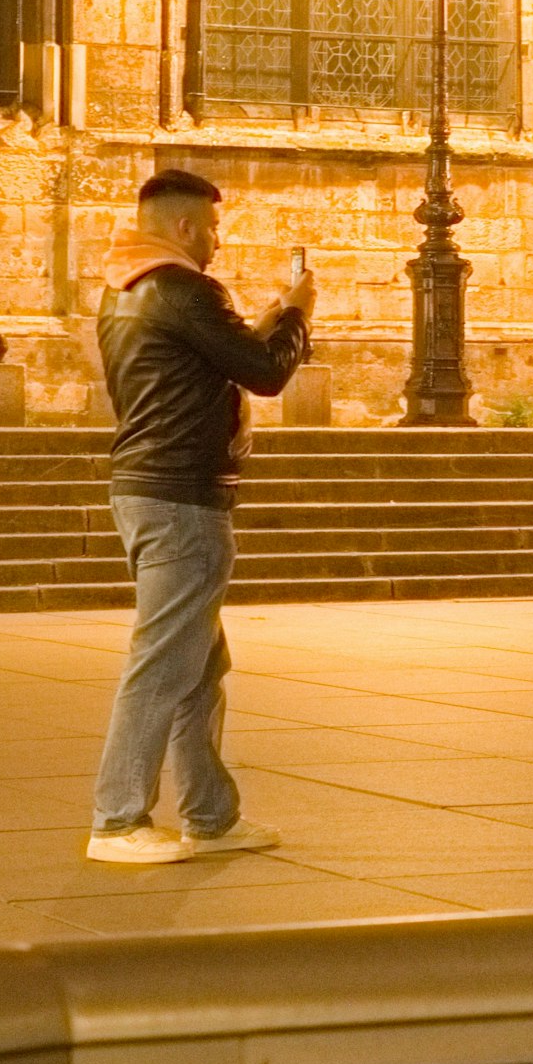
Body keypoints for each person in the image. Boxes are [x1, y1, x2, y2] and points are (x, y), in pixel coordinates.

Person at [86, 169, 313, 865]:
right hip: (181, 499)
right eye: (212, 229)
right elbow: (265, 373)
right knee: (163, 664)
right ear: (185, 227)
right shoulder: (185, 287)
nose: (216, 242)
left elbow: (221, 357)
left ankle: (211, 815)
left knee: (198, 664)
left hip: (147, 488)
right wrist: (299, 313)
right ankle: (118, 820)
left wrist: (266, 323)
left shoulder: (123, 289)